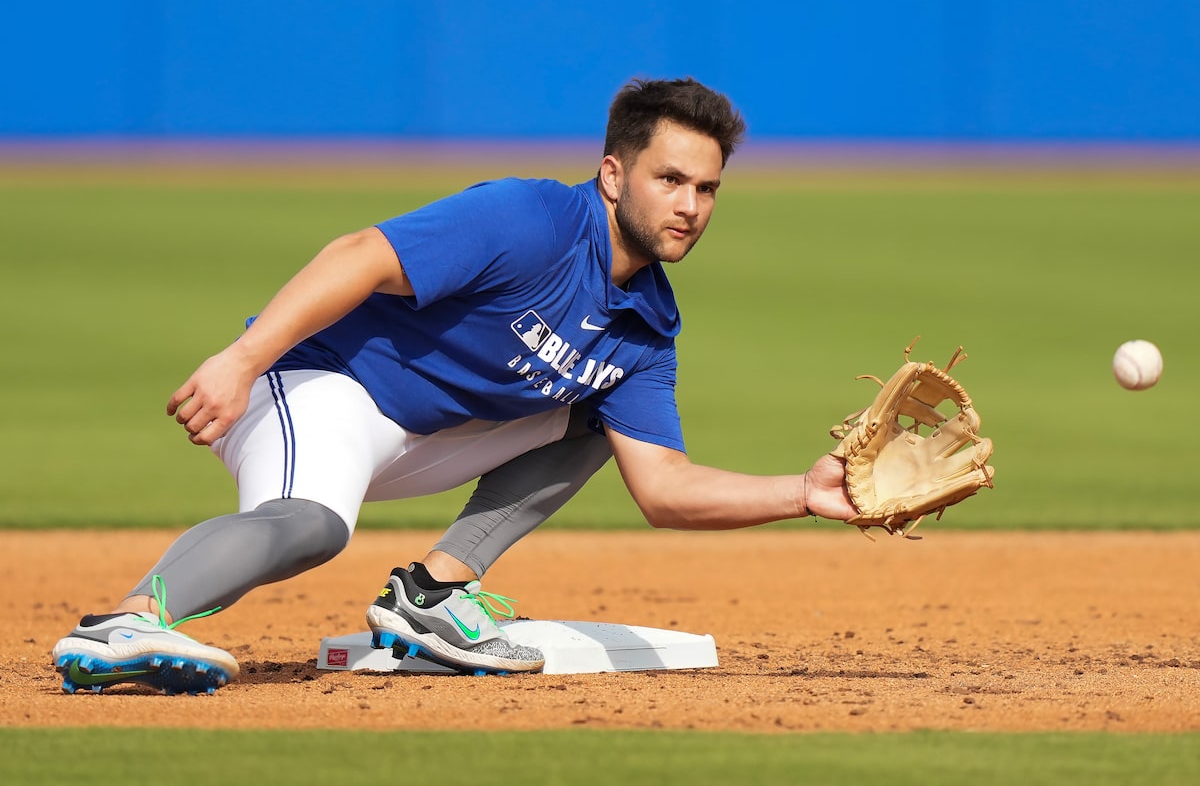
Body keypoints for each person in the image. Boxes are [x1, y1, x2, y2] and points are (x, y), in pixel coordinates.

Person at [51, 77, 858, 695]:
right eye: (669, 179)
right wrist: (243, 358)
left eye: (706, 188)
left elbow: (665, 487)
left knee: (594, 418)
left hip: (423, 440)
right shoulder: (530, 219)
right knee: (310, 525)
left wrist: (805, 491)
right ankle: (127, 622)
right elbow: (361, 253)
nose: (688, 206)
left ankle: (431, 594)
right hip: (318, 385)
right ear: (614, 175)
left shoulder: (645, 324)